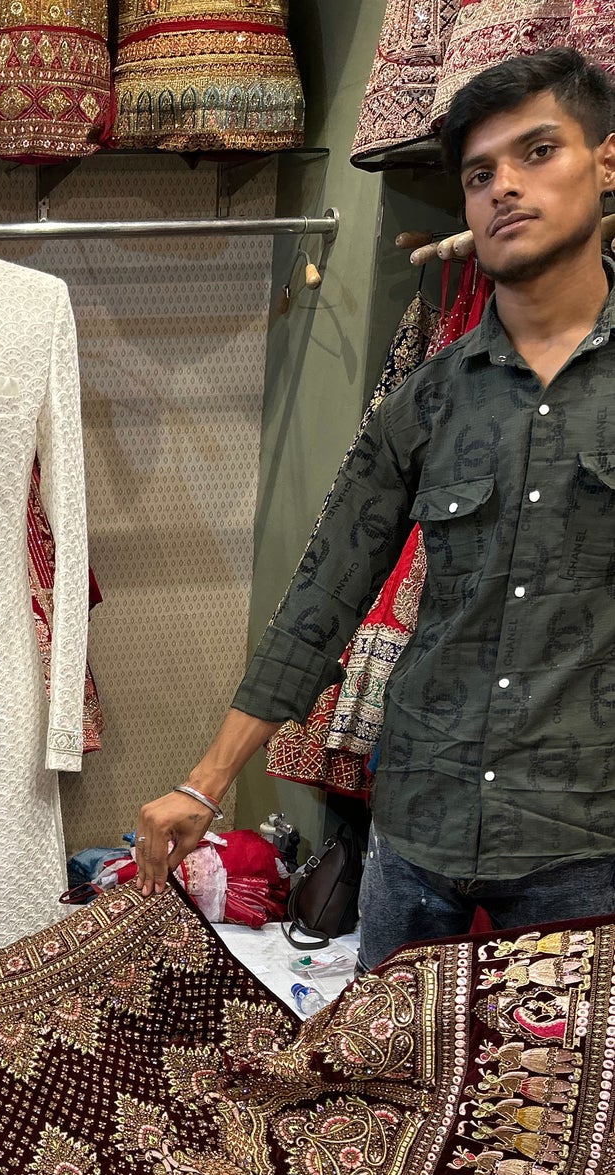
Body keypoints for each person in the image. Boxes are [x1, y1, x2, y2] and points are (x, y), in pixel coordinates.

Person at [134, 47, 615, 968]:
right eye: (480, 175)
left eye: (536, 152)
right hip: (418, 832)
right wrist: (202, 785)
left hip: (583, 843)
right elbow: (320, 597)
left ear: (604, 163)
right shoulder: (422, 402)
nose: (504, 189)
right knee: (384, 1089)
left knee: (550, 1110)